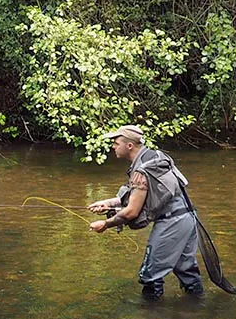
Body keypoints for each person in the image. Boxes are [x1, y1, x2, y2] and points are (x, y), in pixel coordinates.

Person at [87, 125, 204, 301]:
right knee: (186, 270)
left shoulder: (141, 171)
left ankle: (152, 318)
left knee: (150, 275)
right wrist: (107, 203)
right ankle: (197, 309)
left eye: (116, 143)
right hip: (187, 217)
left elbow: (131, 212)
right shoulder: (155, 157)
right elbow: (138, 197)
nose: (113, 146)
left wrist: (105, 224)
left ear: (129, 146)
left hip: (171, 223)